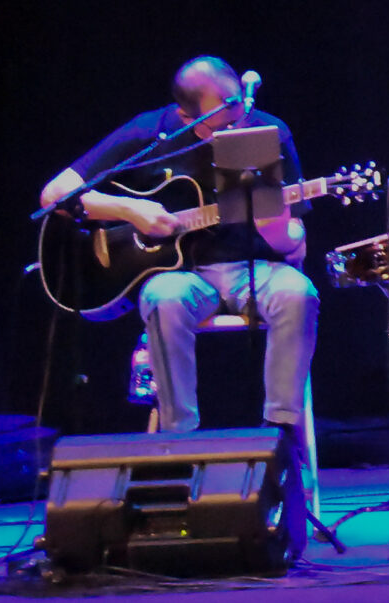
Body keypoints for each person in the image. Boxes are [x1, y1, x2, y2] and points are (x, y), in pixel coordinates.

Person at [38, 56, 315, 436]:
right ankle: (179, 440)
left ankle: (282, 430)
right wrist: (129, 209)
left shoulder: (268, 131)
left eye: (238, 111)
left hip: (257, 270)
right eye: (223, 122)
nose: (236, 127)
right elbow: (54, 194)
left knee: (298, 293)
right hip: (182, 274)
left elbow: (296, 246)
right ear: (188, 117)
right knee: (163, 298)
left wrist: (277, 229)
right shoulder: (150, 132)